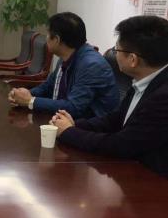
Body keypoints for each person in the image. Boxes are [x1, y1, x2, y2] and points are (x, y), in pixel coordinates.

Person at [51, 15, 168, 176]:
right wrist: (75, 125)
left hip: (153, 181)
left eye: (116, 49)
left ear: (132, 59)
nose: (114, 54)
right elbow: (115, 119)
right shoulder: (144, 80)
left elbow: (121, 145)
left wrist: (69, 132)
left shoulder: (163, 97)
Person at [9, 12, 119, 118]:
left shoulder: (92, 66)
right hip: (64, 121)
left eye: (48, 34)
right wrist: (23, 94)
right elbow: (48, 87)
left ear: (57, 40)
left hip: (89, 126)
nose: (46, 38)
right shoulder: (65, 56)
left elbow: (74, 107)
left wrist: (30, 101)